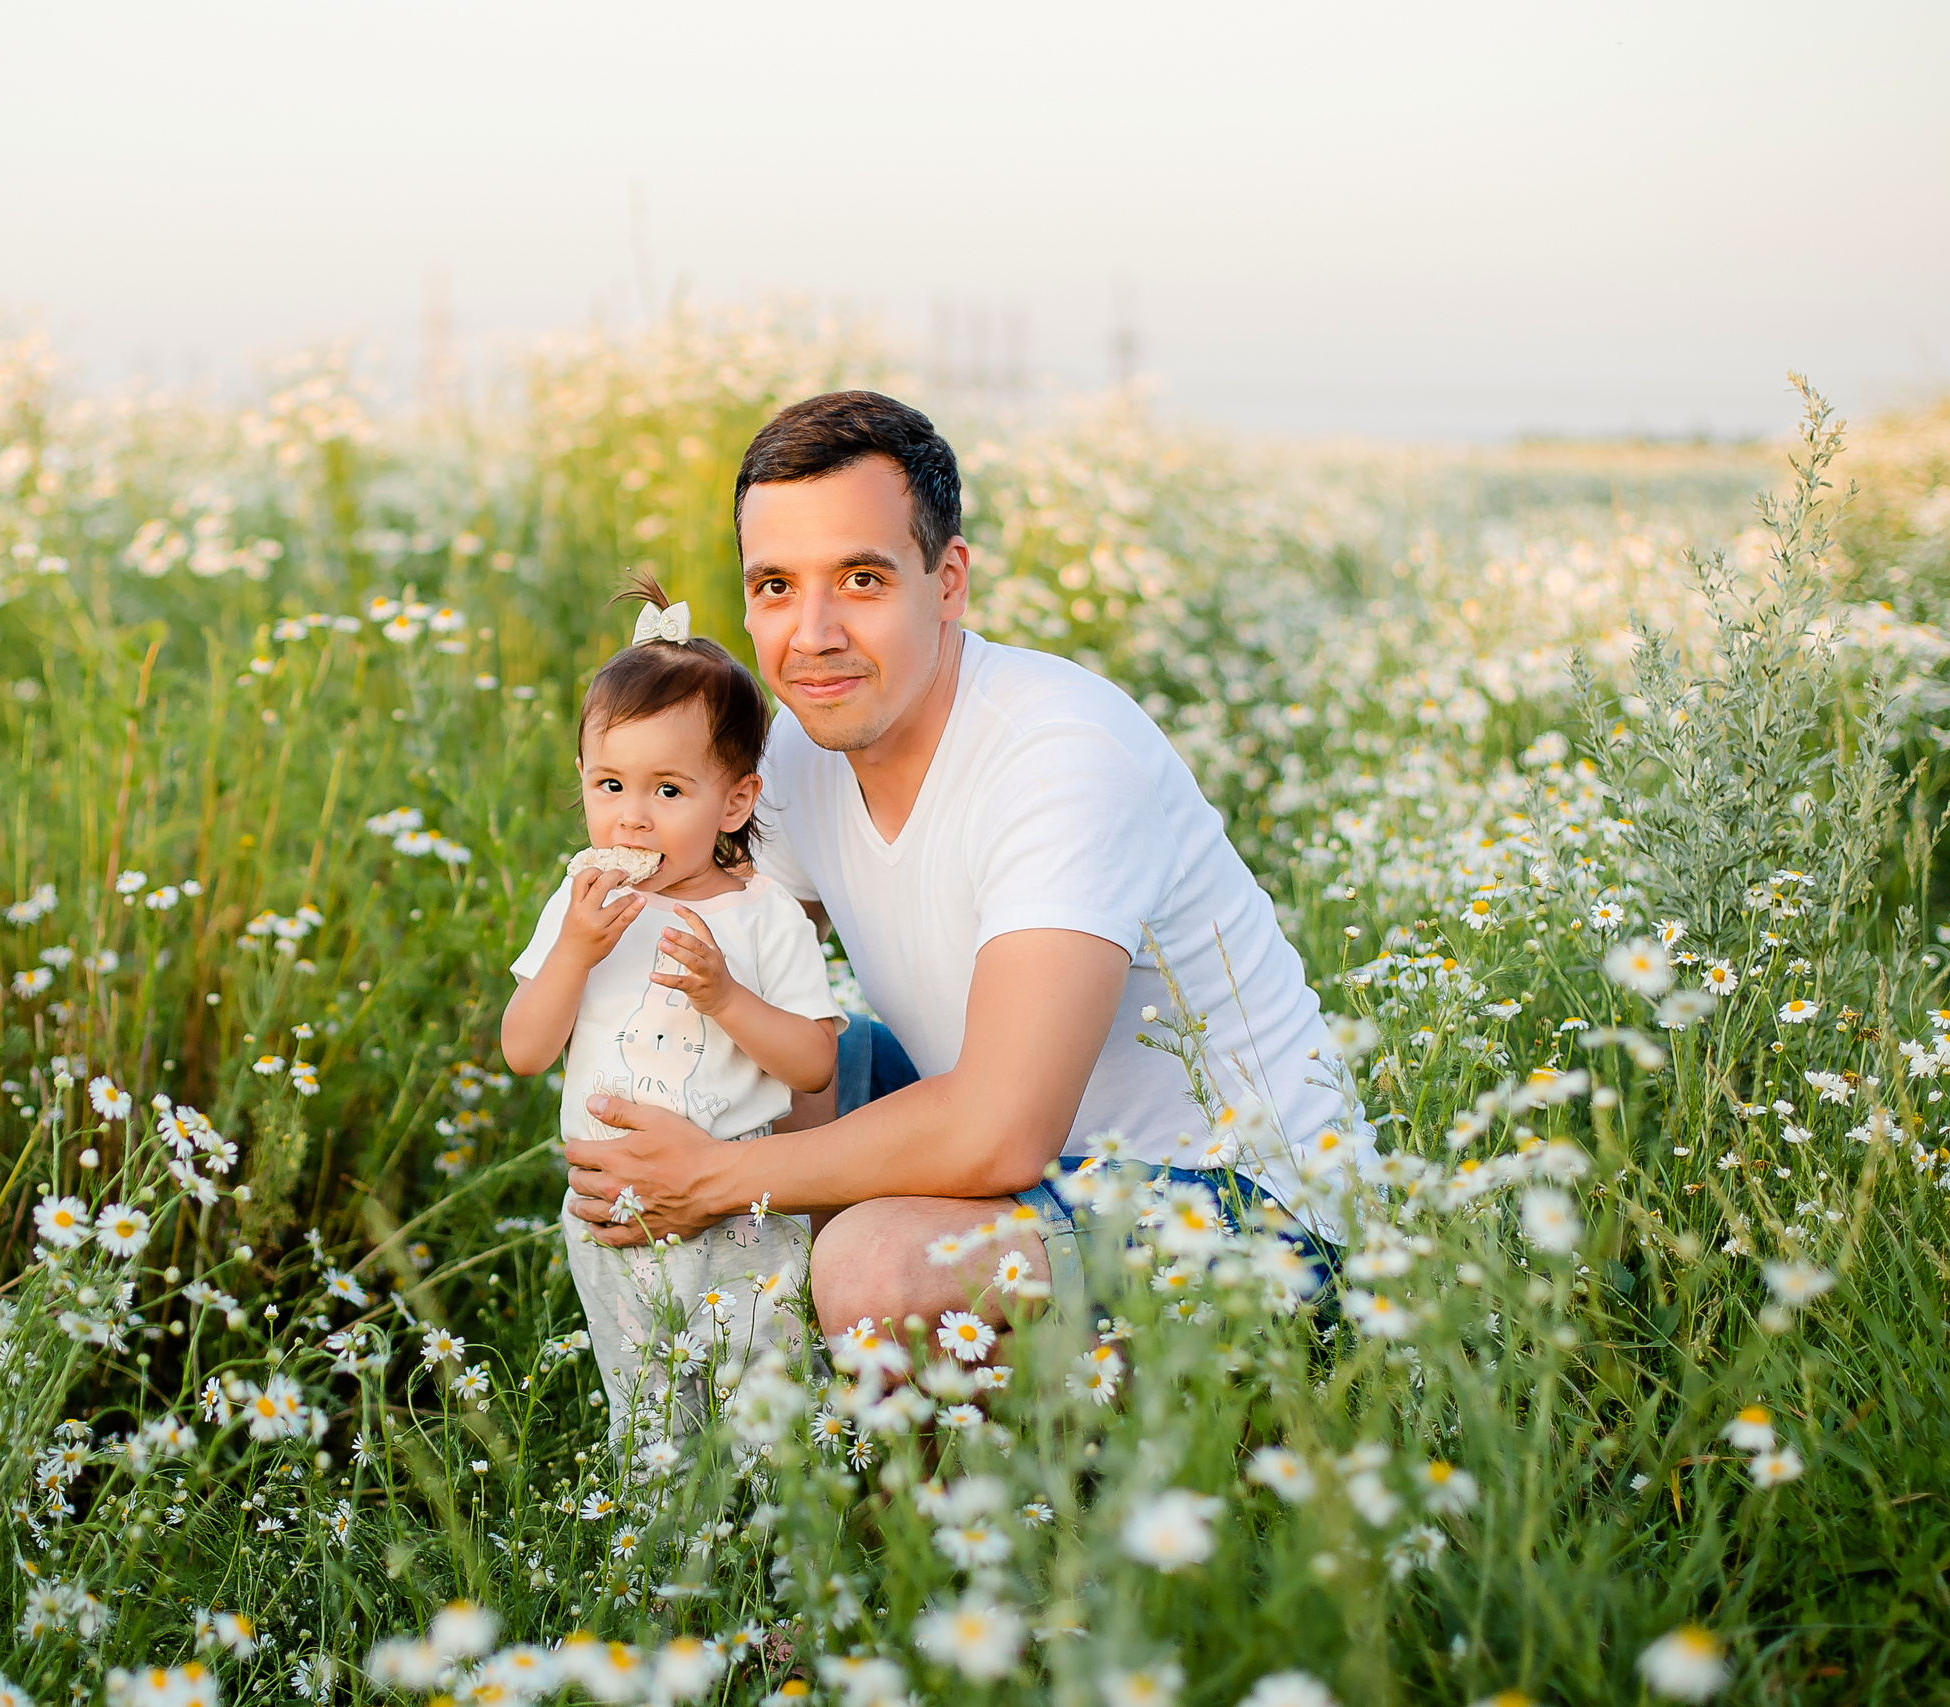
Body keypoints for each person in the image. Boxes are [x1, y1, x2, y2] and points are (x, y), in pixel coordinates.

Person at [561, 391, 1370, 1337]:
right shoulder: (796, 755)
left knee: (877, 1269)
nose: (811, 634)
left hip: (1252, 1219)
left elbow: (1000, 1131)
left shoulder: (1060, 752)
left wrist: (717, 1180)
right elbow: (732, 972)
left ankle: (914, 1400)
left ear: (948, 582)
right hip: (1036, 1177)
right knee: (712, 1065)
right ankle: (778, 1377)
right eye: (775, 585)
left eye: (861, 579)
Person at [501, 576, 845, 1439]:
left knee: (767, 1409)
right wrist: (574, 952)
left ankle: (778, 1514)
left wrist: (725, 997)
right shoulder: (580, 907)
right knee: (650, 1418)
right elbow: (525, 1049)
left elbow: (813, 1063)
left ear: (735, 801)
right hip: (611, 1213)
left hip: (741, 1218)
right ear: (582, 779)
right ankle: (661, 1519)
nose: (631, 819)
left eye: (667, 791)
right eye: (610, 784)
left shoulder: (762, 915)